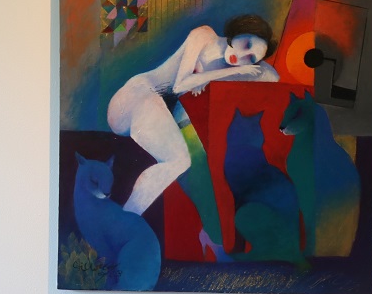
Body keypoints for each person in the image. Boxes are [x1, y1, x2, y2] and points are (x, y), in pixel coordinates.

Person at [107, 14, 279, 216]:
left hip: (154, 113)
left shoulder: (234, 67)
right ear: (240, 31)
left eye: (250, 58)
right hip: (134, 98)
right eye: (247, 44)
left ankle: (127, 217)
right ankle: (125, 218)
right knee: (178, 160)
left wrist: (244, 68)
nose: (241, 57)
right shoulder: (204, 36)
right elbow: (180, 85)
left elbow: (273, 77)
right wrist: (222, 74)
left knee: (193, 164)